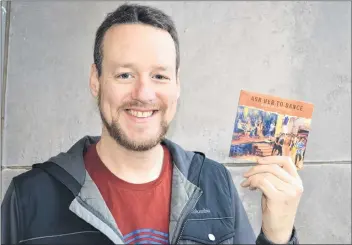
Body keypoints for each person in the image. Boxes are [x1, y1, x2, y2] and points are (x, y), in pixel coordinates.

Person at [1, 4, 302, 244]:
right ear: (96, 80)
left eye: (159, 76)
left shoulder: (214, 183)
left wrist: (278, 235)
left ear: (177, 85)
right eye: (125, 75)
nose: (143, 94)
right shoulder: (28, 197)